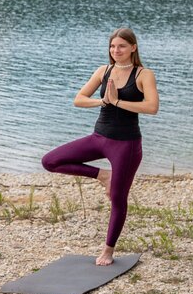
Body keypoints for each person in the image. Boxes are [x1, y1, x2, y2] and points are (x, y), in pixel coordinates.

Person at [41, 27, 160, 266]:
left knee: (118, 197)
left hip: (126, 145)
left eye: (122, 46)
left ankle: (108, 250)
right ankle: (102, 174)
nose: (116, 50)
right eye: (113, 46)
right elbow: (79, 99)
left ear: (133, 48)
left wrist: (118, 101)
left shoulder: (143, 74)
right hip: (99, 138)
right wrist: (103, 101)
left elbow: (152, 107)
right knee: (50, 161)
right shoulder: (103, 71)